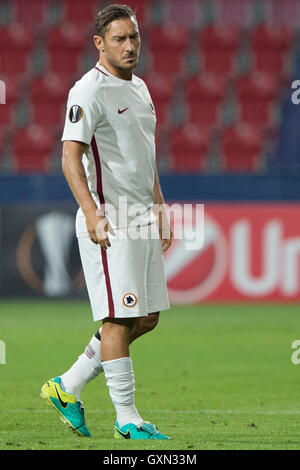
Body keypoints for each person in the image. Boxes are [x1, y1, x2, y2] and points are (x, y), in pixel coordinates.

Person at [40, 4, 173, 440]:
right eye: (120, 39)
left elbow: (144, 156)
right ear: (100, 43)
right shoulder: (87, 91)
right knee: (119, 319)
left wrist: (158, 205)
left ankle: (69, 384)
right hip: (110, 222)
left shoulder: (141, 89)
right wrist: (93, 213)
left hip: (140, 217)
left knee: (147, 317)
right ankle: (127, 420)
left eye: (134, 37)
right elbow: (69, 156)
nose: (130, 46)